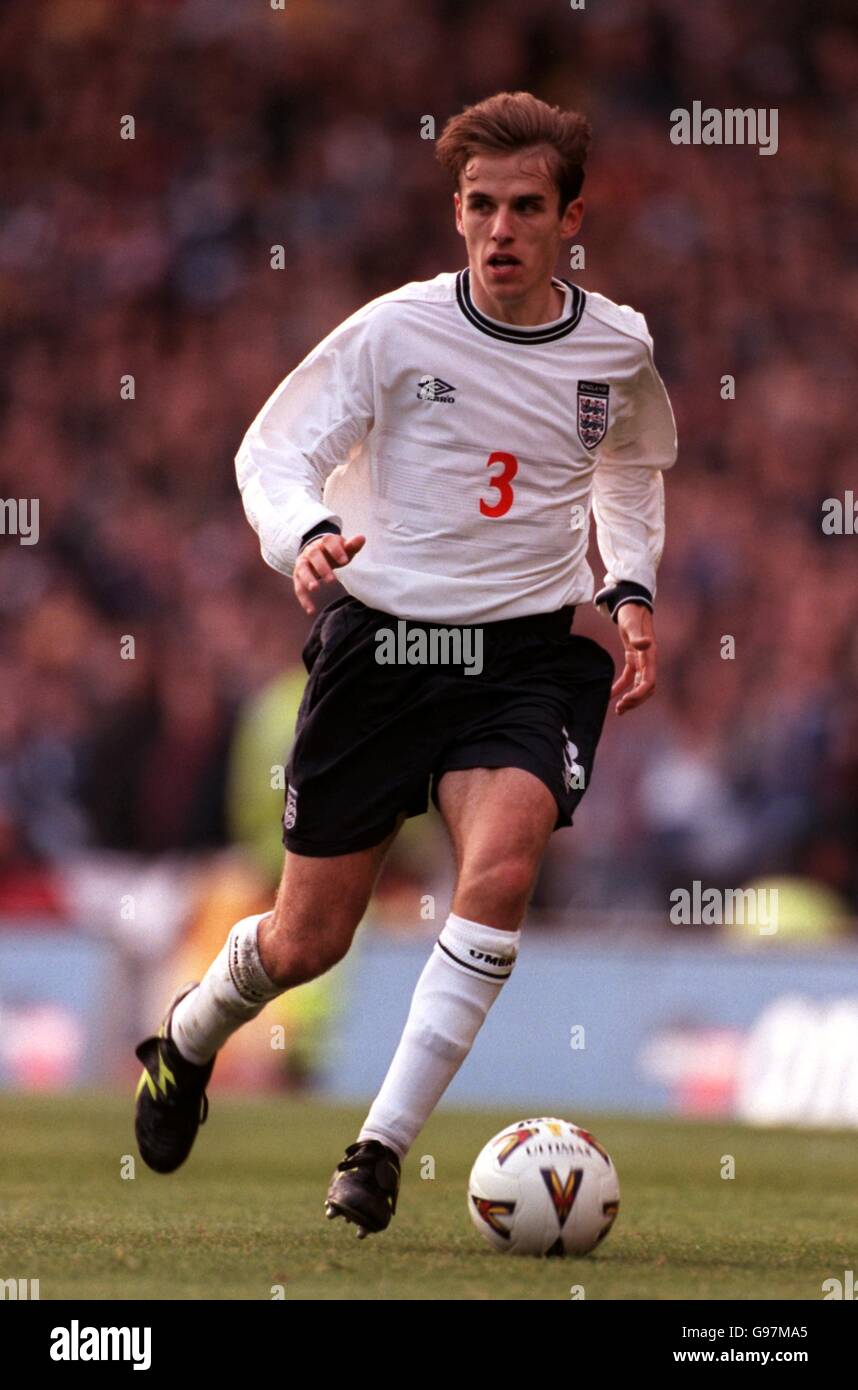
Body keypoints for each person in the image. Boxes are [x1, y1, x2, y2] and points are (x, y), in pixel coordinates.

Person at [134, 90, 677, 1239]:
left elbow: (632, 465)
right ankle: (185, 1039)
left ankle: (376, 1151)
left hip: (522, 657)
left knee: (501, 870)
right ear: (457, 212)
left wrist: (628, 588)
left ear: (571, 216)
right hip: (383, 649)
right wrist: (302, 536)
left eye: (528, 208)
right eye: (481, 206)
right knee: (307, 938)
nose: (501, 231)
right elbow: (275, 451)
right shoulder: (395, 332)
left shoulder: (616, 346)